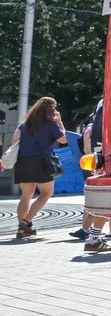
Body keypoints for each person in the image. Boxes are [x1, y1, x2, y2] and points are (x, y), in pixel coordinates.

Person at [10, 97, 67, 238]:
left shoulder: (24, 124)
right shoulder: (51, 123)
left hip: (23, 162)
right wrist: (59, 122)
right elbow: (63, 140)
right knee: (46, 193)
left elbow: (14, 142)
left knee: (25, 196)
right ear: (51, 109)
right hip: (42, 162)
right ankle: (26, 221)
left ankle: (21, 230)